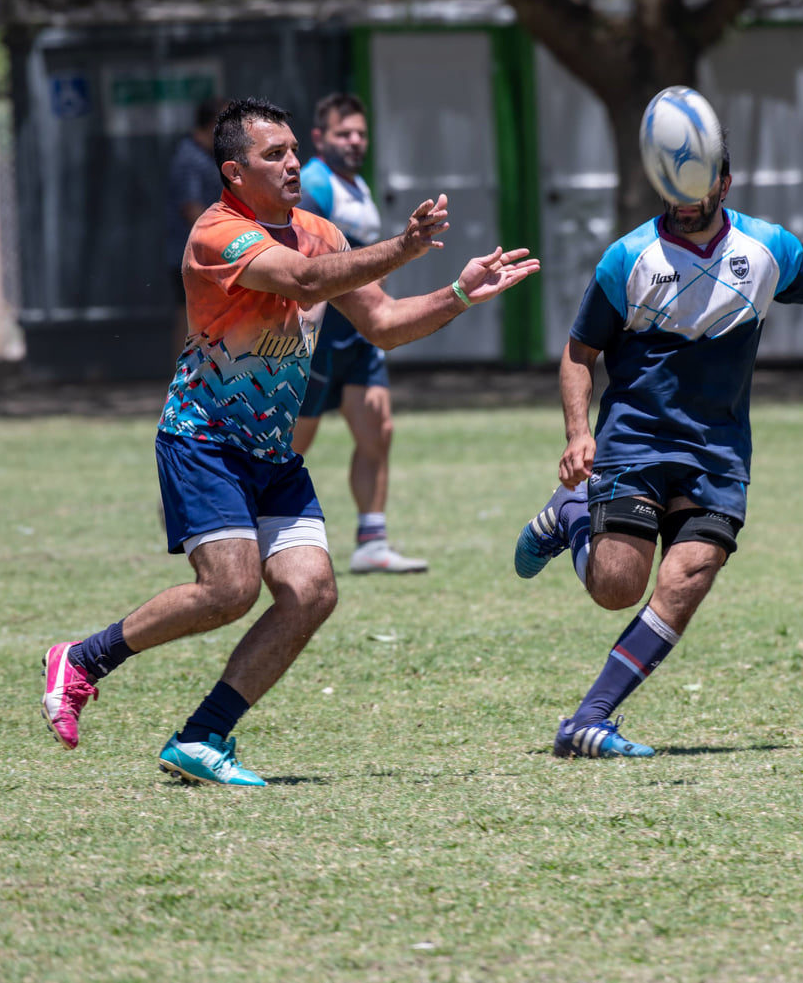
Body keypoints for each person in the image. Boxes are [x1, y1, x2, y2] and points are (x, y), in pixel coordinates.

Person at [40, 97, 538, 786]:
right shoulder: (218, 235)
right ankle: (82, 659)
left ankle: (202, 734)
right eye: (273, 154)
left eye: (294, 150)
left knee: (311, 591)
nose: (293, 162)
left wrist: (458, 291)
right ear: (233, 172)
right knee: (230, 588)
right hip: (203, 439)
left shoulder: (320, 232)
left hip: (272, 452)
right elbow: (302, 280)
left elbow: (386, 324)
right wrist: (405, 244)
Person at [509, 132, 803, 759]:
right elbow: (579, 352)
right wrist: (578, 433)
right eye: (672, 189)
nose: (684, 202)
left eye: (697, 189)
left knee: (691, 575)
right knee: (617, 586)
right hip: (636, 440)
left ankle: (588, 721)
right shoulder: (627, 258)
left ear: (724, 184)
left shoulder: (769, 249)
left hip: (719, 451)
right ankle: (572, 517)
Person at [291, 93, 424, 573]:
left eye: (360, 133)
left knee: (378, 430)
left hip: (360, 335)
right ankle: (216, 501)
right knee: (290, 443)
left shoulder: (356, 185)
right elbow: (305, 261)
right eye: (343, 133)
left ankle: (372, 540)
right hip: (322, 335)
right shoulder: (314, 185)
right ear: (319, 137)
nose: (354, 141)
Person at [167, 96, 230, 354]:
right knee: (188, 316)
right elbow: (191, 209)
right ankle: (180, 378)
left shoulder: (210, 156)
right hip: (190, 256)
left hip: (209, 254)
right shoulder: (189, 158)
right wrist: (228, 239)